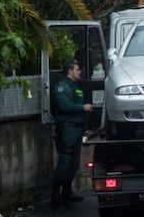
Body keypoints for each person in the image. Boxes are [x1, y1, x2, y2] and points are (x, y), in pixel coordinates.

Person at [51, 60, 92, 209]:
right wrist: (83, 107)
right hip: (67, 129)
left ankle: (67, 192)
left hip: (77, 129)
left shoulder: (75, 86)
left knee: (74, 163)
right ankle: (55, 195)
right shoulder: (62, 87)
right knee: (64, 162)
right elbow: (65, 105)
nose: (79, 72)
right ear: (70, 71)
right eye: (77, 69)